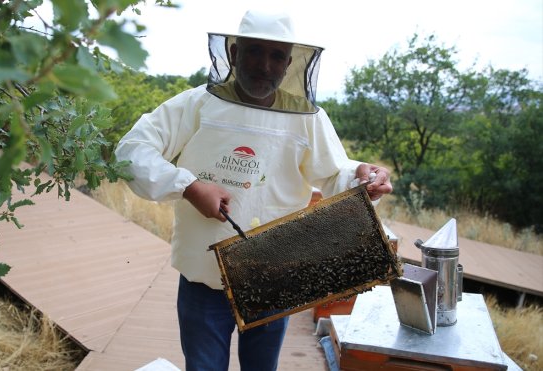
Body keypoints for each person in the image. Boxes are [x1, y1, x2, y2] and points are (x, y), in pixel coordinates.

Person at [115, 9, 392, 371]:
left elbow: (334, 172)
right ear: (233, 53)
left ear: (290, 63)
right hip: (204, 274)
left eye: (276, 55)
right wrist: (189, 186)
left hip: (276, 273)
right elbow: (130, 151)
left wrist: (362, 176)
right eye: (255, 51)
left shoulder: (307, 118)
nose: (264, 65)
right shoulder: (198, 103)